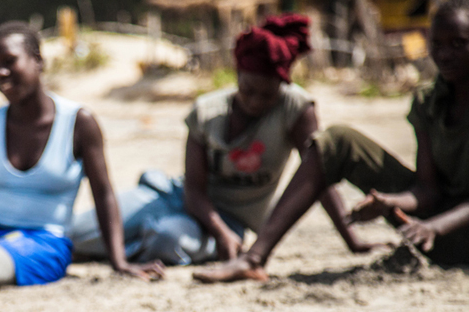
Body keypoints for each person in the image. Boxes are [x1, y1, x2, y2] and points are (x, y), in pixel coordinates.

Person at [193, 0, 469, 283]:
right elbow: (428, 190)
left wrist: (435, 227)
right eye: (436, 44)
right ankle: (253, 259)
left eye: (458, 44)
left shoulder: (296, 106)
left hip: (450, 234)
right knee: (337, 140)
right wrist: (390, 202)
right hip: (432, 236)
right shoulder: (429, 101)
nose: (444, 55)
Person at [70, 15, 380, 266]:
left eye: (267, 94)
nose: (256, 102)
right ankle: (120, 247)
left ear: (282, 86)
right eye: (248, 90)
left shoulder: (296, 109)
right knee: (75, 235)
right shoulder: (206, 112)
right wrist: (217, 232)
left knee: (169, 241)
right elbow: (193, 191)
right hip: (174, 198)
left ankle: (124, 249)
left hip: (230, 219)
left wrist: (352, 238)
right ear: (236, 75)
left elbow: (320, 173)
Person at [0, 21, 164, 304]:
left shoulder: (78, 123)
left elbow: (103, 194)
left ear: (38, 61)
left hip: (45, 242)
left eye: (10, 62)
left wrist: (119, 260)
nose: (1, 73)